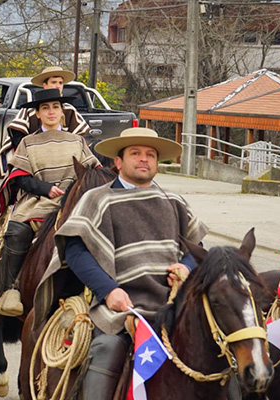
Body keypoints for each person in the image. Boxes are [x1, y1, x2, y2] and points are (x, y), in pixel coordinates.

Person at [33, 127, 207, 400]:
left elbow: (197, 249)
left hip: (174, 304)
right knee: (107, 348)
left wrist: (186, 267)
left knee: (219, 349)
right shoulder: (98, 200)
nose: (143, 159)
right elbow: (76, 251)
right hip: (120, 306)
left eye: (150, 154)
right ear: (118, 162)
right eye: (135, 153)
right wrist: (109, 290)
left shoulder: (174, 201)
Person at [0, 89, 100, 317]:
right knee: (16, 230)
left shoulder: (77, 141)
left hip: (74, 202)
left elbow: (93, 170)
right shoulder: (28, 143)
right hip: (38, 201)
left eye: (55, 107)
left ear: (62, 112)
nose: (51, 112)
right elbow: (18, 176)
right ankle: (10, 289)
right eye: (45, 108)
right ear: (38, 115)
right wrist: (45, 188)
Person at [0, 66, 91, 178]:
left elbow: (82, 137)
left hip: (65, 164)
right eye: (53, 82)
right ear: (44, 85)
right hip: (35, 164)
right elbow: (17, 136)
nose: (57, 86)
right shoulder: (29, 111)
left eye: (60, 83)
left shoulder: (69, 110)